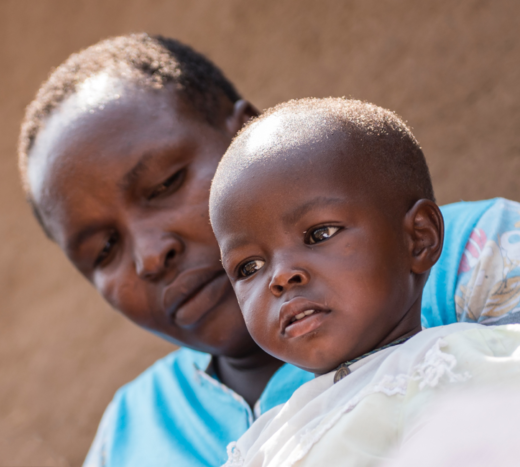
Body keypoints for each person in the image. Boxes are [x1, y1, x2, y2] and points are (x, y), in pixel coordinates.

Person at [17, 34, 520, 466]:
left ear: (246, 132)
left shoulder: (475, 256)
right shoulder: (132, 433)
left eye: (166, 183)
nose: (150, 255)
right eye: (104, 249)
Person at [209, 97, 520, 467]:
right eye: (249, 267)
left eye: (320, 233)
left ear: (418, 238)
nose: (280, 276)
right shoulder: (267, 437)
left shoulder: (462, 364)